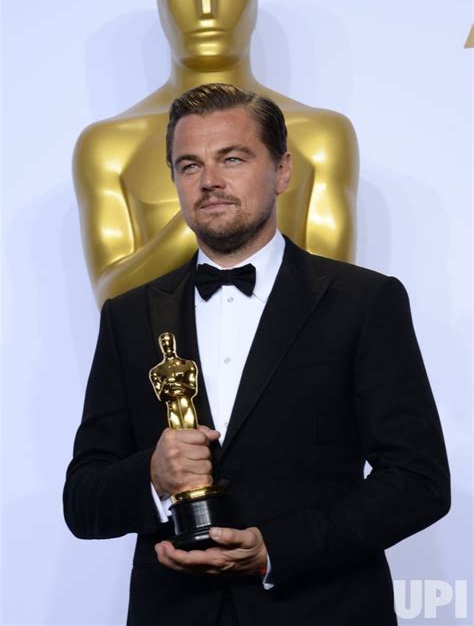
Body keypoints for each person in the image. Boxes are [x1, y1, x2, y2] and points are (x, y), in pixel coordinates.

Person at [64, 83, 450, 626]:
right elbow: (82, 501)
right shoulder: (128, 316)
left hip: (323, 610)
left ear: (283, 170)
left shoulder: (364, 302)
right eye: (189, 165)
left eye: (233, 158)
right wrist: (150, 477)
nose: (210, 182)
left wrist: (278, 549)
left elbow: (419, 480)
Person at [73, 0, 358, 306]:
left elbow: (335, 301)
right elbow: (113, 301)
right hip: (160, 362)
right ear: (160, 2)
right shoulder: (108, 146)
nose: (206, 9)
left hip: (291, 363)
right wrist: (218, 209)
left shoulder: (321, 136)